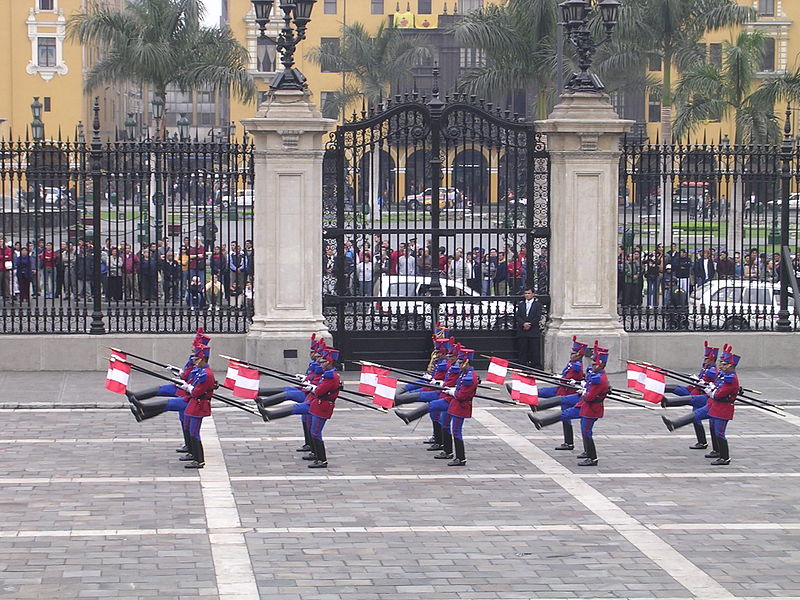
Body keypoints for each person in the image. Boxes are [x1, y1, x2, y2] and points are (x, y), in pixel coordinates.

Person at [259, 347, 341, 469]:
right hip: (314, 402)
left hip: (322, 407)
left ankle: (322, 460)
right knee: (296, 407)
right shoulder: (328, 374)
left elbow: (319, 391)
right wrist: (307, 381)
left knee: (315, 432)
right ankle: (269, 414)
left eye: (323, 361)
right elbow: (316, 384)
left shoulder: (330, 376)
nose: (320, 363)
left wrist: (311, 387)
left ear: (329, 362)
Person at [524, 337, 587, 451]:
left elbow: (584, 378)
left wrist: (581, 384)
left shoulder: (576, 366)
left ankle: (536, 407)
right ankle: (568, 442)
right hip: (564, 389)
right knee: (545, 394)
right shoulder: (572, 364)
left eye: (573, 353)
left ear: (578, 354)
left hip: (568, 392)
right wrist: (560, 378)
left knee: (567, 415)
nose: (571, 355)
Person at [660, 342, 719, 450]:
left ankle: (667, 401)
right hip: (696, 391)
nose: (705, 360)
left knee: (708, 423)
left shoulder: (712, 371)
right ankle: (702, 442)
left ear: (712, 360)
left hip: (702, 395)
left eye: (707, 358)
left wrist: (700, 382)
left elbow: (710, 383)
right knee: (676, 389)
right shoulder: (706, 368)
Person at [439, 348, 479, 466]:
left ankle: (461, 458)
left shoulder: (469, 377)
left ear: (466, 362)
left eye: (461, 362)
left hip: (461, 405)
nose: (459, 364)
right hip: (457, 405)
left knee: (456, 431)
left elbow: (461, 395)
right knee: (453, 429)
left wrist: (452, 392)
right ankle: (457, 456)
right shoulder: (465, 373)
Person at [706, 347, 740, 465]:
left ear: (731, 366)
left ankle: (725, 457)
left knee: (720, 433)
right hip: (718, 407)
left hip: (724, 409)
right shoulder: (726, 376)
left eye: (724, 364)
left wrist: (711, 392)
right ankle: (719, 452)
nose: (721, 366)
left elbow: (720, 394)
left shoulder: (730, 378)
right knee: (715, 431)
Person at [515, 287, 542, 368]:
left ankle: (535, 366)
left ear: (533, 294)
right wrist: (523, 324)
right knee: (522, 349)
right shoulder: (521, 304)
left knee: (534, 350)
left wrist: (530, 324)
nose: (527, 295)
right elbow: (518, 316)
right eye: (526, 293)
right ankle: (522, 365)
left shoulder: (537, 305)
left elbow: (538, 316)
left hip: (533, 330)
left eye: (529, 293)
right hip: (522, 331)